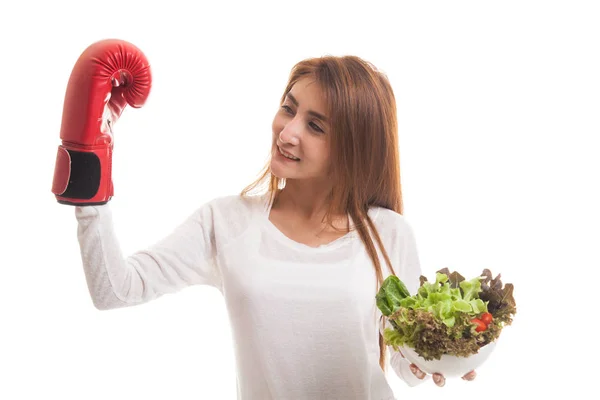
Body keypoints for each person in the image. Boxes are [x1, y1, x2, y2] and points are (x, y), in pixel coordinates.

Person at [52, 39, 476, 400]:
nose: (288, 131)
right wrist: (90, 167)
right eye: (288, 109)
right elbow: (114, 290)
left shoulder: (387, 232)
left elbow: (404, 363)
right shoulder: (226, 222)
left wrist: (446, 355)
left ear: (352, 147)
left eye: (315, 126)